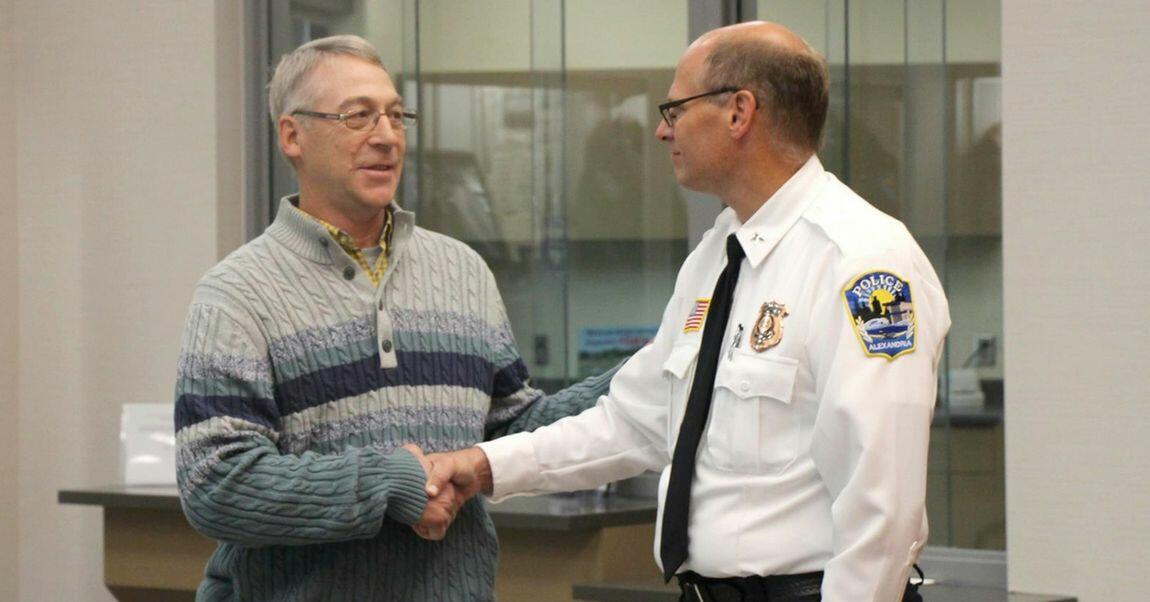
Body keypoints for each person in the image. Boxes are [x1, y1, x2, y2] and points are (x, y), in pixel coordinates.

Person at [430, 21, 950, 602]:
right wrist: (483, 465)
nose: (661, 130)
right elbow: (634, 420)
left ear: (739, 112)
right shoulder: (717, 255)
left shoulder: (861, 261)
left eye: (675, 109)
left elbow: (882, 504)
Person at [173, 35, 610, 601]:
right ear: (292, 136)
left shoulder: (463, 271)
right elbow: (215, 484)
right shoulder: (236, 295)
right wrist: (388, 484)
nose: (385, 136)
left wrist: (650, 374)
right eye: (358, 116)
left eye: (396, 115)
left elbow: (509, 430)